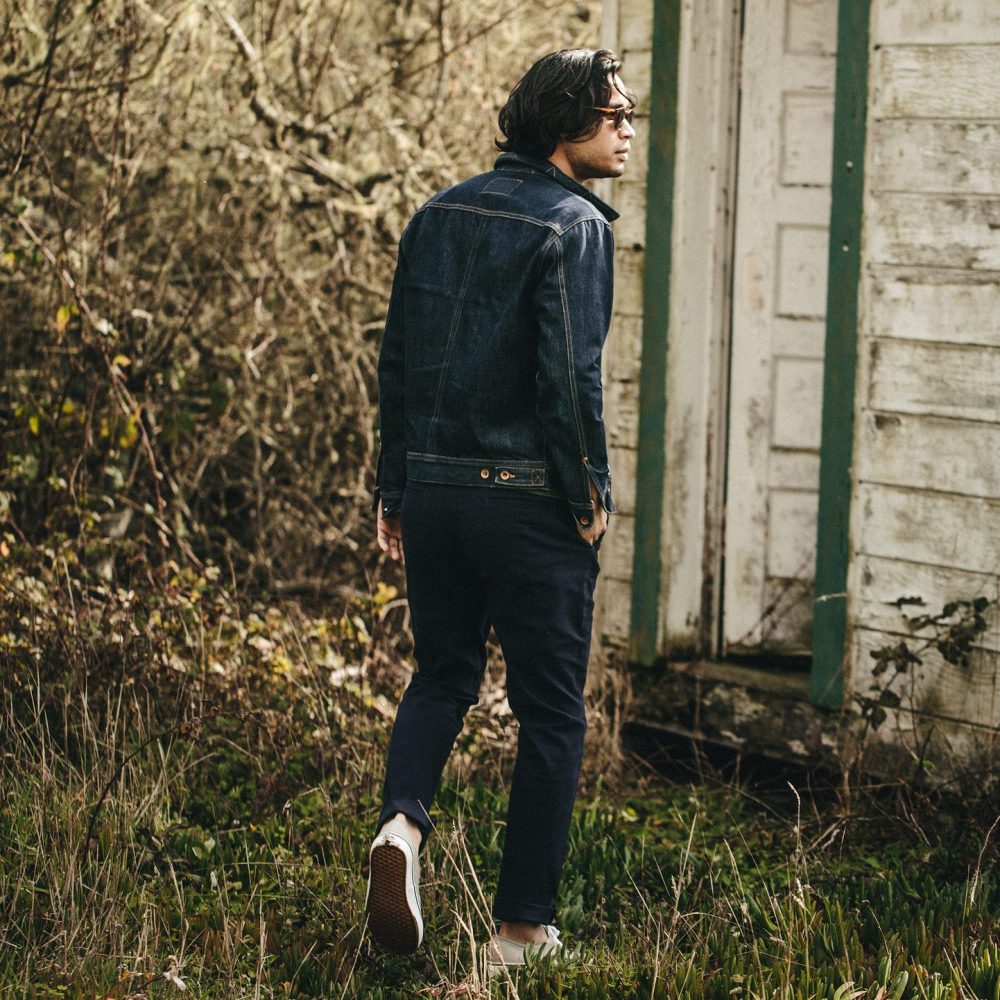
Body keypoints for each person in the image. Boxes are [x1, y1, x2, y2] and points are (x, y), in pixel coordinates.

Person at [365, 47, 635, 970]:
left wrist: (394, 488)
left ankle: (401, 829)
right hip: (528, 506)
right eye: (613, 115)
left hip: (436, 496)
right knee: (552, 714)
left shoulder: (435, 213)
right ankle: (520, 935)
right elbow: (571, 377)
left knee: (441, 677)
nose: (627, 132)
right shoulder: (576, 226)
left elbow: (396, 364)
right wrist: (589, 495)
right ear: (564, 123)